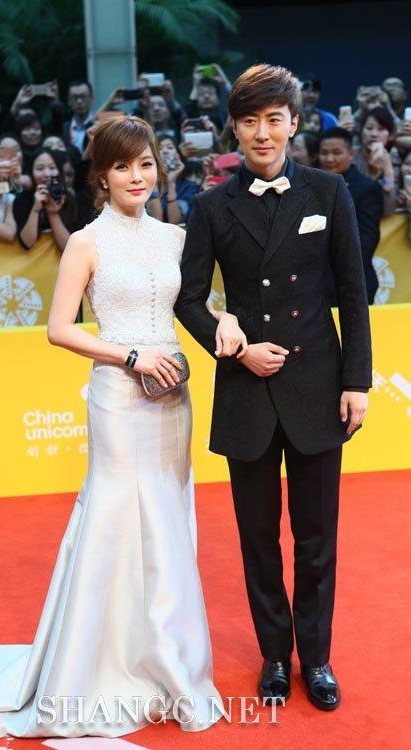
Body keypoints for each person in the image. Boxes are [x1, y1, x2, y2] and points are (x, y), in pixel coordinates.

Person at [0, 116, 237, 747]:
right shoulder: (87, 242)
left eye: (145, 164)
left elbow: (192, 304)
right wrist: (130, 357)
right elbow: (59, 329)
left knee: (168, 519)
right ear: (101, 176)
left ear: (158, 168)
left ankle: (167, 663)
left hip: (173, 394)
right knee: (115, 519)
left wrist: (224, 322)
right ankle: (93, 668)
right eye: (122, 167)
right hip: (119, 394)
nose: (136, 177)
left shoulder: (177, 237)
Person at [174, 63, 372, 712]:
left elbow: (353, 294)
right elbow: (189, 299)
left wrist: (357, 382)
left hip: (317, 387)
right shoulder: (211, 206)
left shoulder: (328, 192)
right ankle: (274, 656)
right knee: (258, 541)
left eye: (273, 120)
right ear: (233, 128)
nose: (262, 133)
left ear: (294, 123)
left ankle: (316, 658)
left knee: (317, 541)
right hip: (247, 391)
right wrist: (231, 341)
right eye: (250, 121)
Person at [319, 127, 384, 304]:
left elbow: (365, 242)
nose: (329, 159)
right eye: (324, 153)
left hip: (351, 285)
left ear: (350, 154)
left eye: (336, 153)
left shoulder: (366, 188)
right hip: (313, 287)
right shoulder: (309, 185)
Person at [12, 147, 78, 252]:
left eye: (52, 168)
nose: (47, 174)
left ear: (59, 170)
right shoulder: (22, 199)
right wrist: (35, 209)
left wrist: (52, 213)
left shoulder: (68, 197)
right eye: (40, 169)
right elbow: (27, 243)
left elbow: (68, 248)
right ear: (31, 173)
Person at [354, 106, 397, 214]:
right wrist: (372, 174)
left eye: (381, 129)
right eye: (369, 128)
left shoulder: (395, 160)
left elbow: (389, 210)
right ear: (361, 131)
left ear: (390, 135)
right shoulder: (351, 156)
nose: (374, 134)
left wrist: (388, 173)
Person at [62, 80, 95, 154]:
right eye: (75, 97)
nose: (79, 101)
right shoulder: (64, 128)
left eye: (83, 96)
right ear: (69, 101)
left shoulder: (99, 125)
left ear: (91, 98)